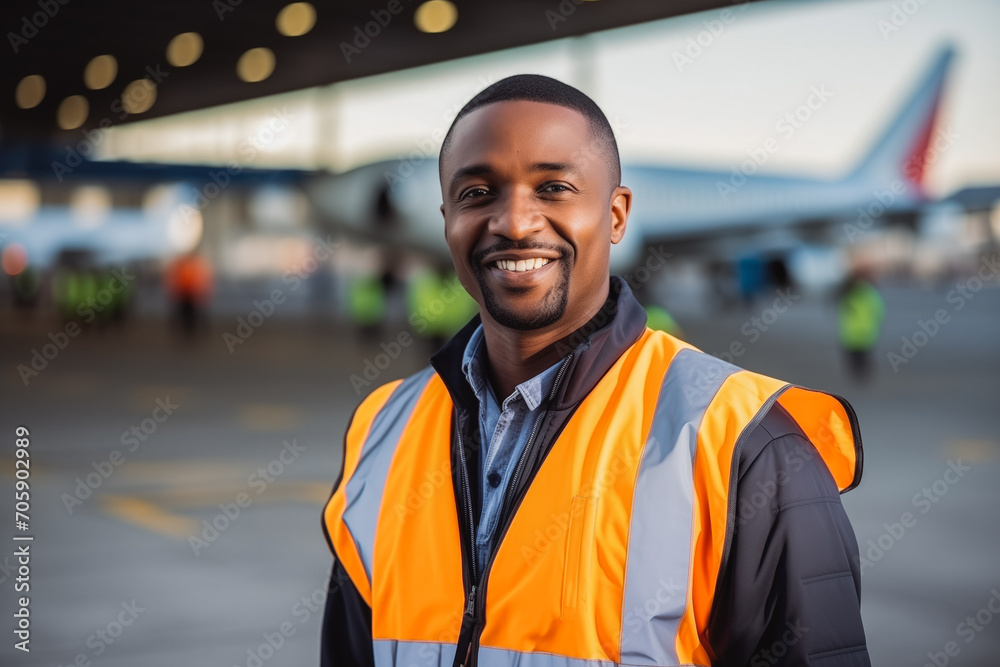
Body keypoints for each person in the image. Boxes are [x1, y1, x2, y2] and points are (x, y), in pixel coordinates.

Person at [320, 75, 870, 667]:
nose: (514, 221)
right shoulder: (381, 430)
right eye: (477, 193)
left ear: (615, 215)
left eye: (553, 187)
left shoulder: (746, 441)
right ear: (447, 218)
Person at [837, 270, 885, 382]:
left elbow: (879, 310)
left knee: (859, 357)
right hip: (859, 332)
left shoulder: (849, 293)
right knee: (858, 357)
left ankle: (860, 376)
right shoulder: (869, 293)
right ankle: (861, 376)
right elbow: (880, 310)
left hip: (856, 332)